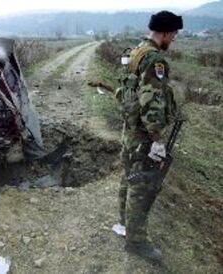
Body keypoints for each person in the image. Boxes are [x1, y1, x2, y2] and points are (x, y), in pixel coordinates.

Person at [115, 11, 183, 262]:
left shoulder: (136, 51)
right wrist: (157, 139)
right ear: (164, 32)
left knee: (127, 175)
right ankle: (137, 241)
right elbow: (152, 102)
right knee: (142, 186)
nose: (174, 38)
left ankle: (124, 223)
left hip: (130, 129)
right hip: (143, 134)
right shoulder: (156, 61)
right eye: (174, 34)